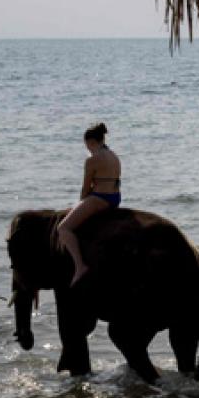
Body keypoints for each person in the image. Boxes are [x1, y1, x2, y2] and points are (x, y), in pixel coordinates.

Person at [58, 122, 122, 285]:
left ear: (91, 142)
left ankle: (80, 266)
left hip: (100, 198)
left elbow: (86, 188)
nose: (87, 149)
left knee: (63, 228)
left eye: (87, 145)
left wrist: (80, 204)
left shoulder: (92, 159)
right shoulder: (114, 156)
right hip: (115, 198)